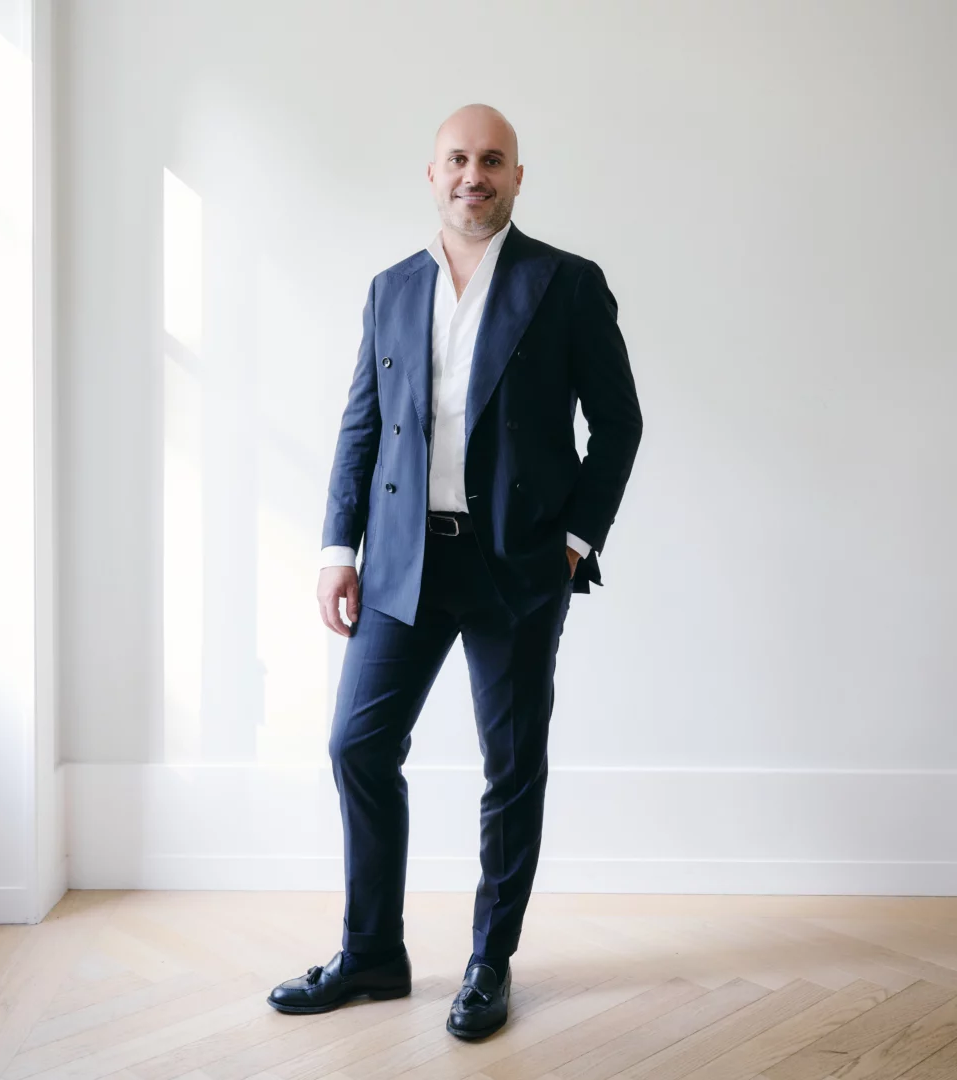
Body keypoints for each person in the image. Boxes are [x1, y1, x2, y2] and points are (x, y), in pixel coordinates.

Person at [267, 103, 643, 1039]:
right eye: (459, 160)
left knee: (510, 767)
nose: (474, 175)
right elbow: (361, 425)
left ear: (517, 177)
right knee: (358, 745)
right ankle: (371, 954)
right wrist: (338, 550)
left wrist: (574, 542)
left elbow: (619, 423)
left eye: (493, 160)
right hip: (403, 561)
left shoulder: (566, 283)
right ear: (432, 174)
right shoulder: (391, 288)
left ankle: (488, 963)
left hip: (518, 564)